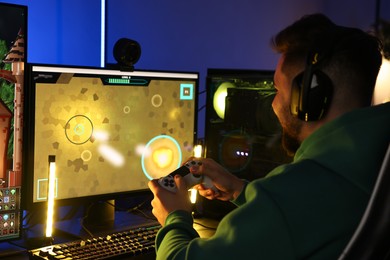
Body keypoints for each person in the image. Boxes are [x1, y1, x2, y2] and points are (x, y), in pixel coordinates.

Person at [148, 13, 390, 259]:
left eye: (276, 89)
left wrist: (174, 217)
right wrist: (239, 190)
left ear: (308, 98)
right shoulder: (375, 161)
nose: (273, 104)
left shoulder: (295, 193)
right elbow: (308, 219)